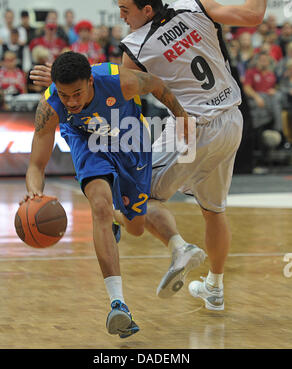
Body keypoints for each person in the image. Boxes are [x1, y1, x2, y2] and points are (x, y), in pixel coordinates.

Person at [29, 0, 279, 311]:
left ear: (146, 9)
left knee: (137, 199)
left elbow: (100, 83)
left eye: (125, 10)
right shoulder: (195, 5)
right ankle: (215, 287)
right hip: (233, 120)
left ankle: (178, 248)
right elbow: (254, 15)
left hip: (193, 126)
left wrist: (56, 80)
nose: (122, 18)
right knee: (214, 210)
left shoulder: (135, 45)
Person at [23, 50, 195, 338]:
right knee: (99, 205)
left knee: (136, 228)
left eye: (77, 94)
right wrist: (34, 194)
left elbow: (157, 85)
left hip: (130, 138)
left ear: (90, 81)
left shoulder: (120, 81)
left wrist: (182, 117)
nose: (72, 102)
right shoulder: (50, 105)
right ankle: (118, 304)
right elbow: (36, 165)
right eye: (65, 96)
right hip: (87, 142)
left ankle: (119, 215)